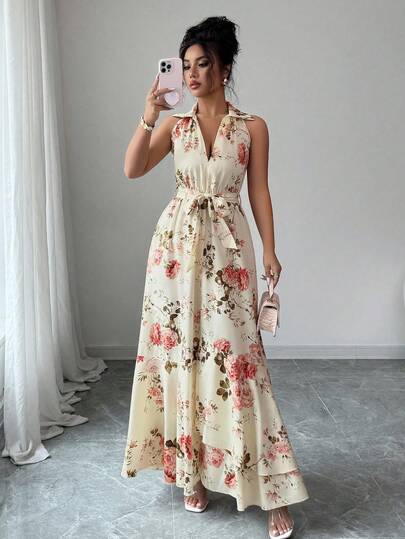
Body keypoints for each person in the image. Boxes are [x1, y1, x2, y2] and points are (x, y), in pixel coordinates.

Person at [121, 15, 309, 539]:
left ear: (225, 68)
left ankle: (273, 491)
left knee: (238, 364)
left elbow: (259, 191)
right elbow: (132, 169)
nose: (192, 73)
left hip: (229, 250)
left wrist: (270, 249)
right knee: (181, 358)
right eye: (186, 65)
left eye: (203, 64)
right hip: (175, 254)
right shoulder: (174, 126)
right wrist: (148, 115)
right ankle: (193, 474)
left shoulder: (252, 127)